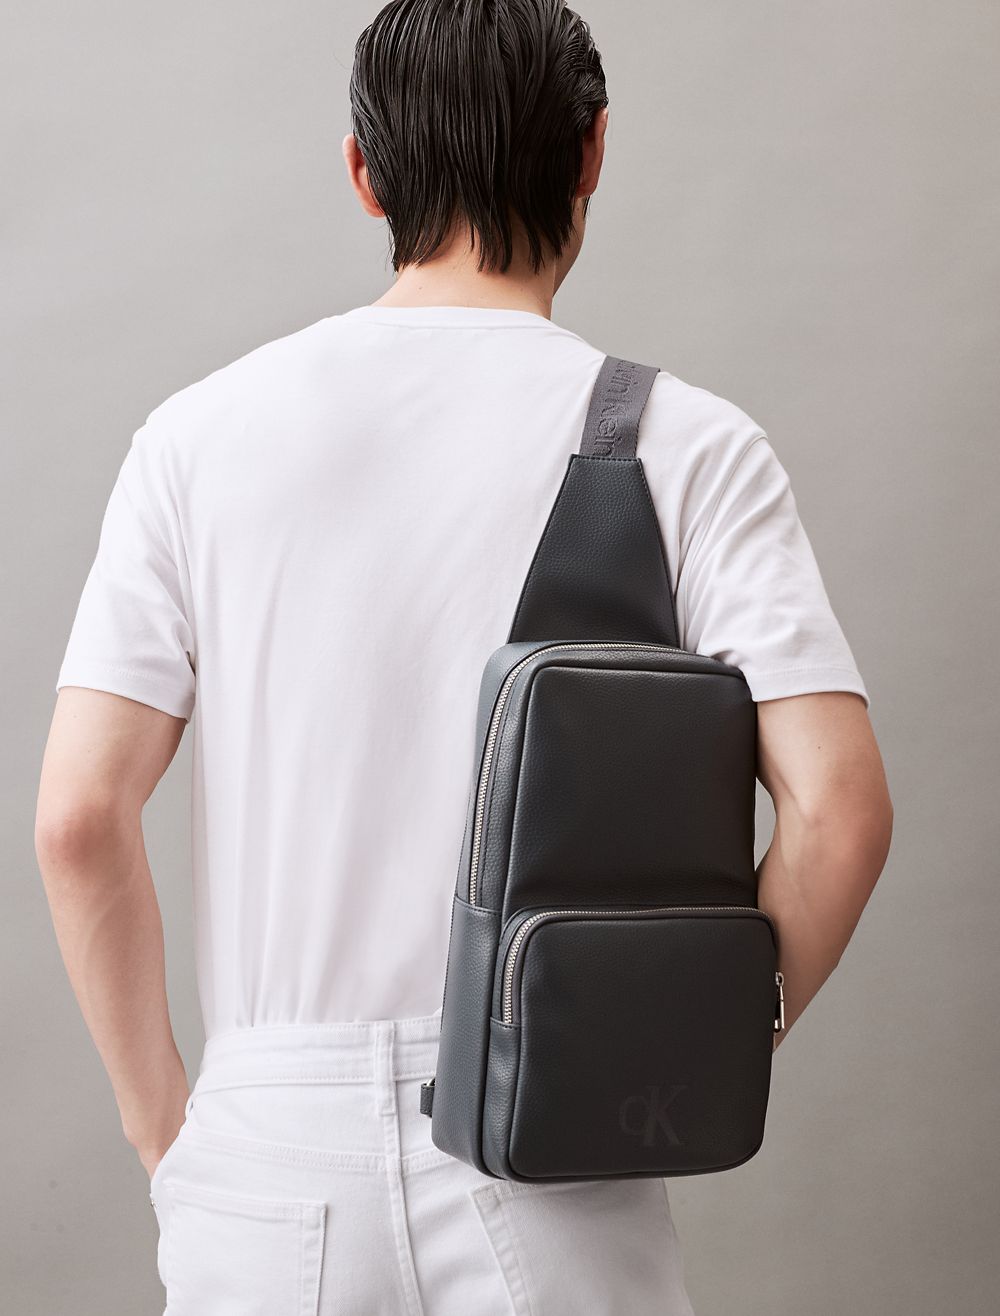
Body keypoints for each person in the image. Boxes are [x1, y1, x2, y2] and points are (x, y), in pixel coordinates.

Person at [34, 1, 893, 1312]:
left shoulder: (195, 438)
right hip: (551, 1134)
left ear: (364, 171)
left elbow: (78, 820)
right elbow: (840, 811)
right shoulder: (690, 444)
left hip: (268, 1151)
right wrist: (671, 1036)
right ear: (593, 151)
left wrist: (169, 1136)